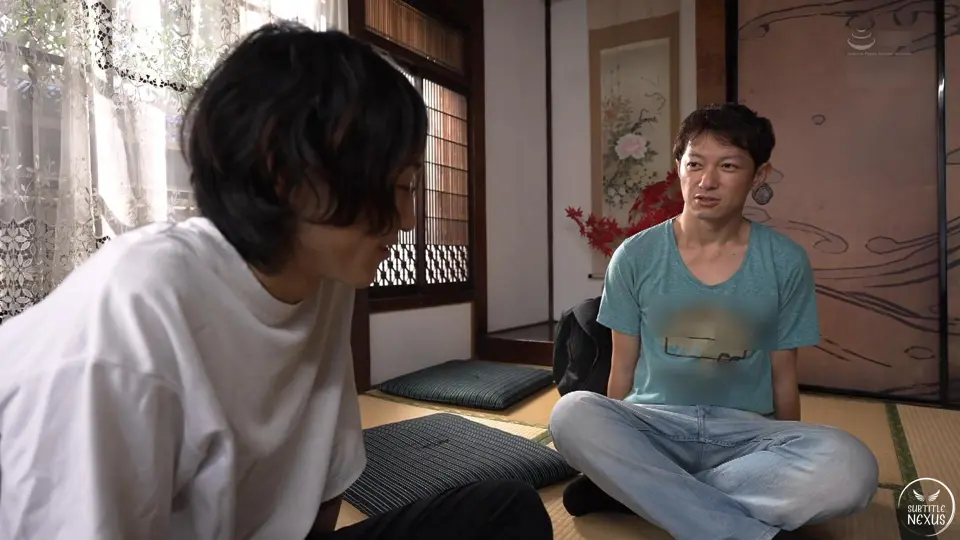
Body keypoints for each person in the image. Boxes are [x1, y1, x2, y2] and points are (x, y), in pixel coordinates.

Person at [0, 23, 552, 540]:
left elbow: (323, 487)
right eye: (400, 187)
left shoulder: (323, 277)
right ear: (285, 175)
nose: (408, 220)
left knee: (506, 511)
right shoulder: (129, 325)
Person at [548, 103, 879, 540]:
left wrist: (784, 451)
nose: (706, 181)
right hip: (656, 426)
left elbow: (784, 373)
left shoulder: (785, 261)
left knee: (852, 468)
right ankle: (725, 522)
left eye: (728, 166)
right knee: (571, 412)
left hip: (744, 435)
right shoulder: (635, 256)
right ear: (679, 168)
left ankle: (642, 492)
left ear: (759, 175)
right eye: (695, 164)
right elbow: (622, 369)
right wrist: (618, 435)